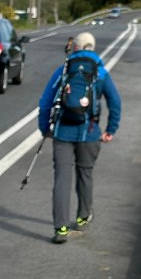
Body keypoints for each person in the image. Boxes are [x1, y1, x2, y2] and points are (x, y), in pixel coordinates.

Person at [38, 31, 122, 244]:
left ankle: (61, 228)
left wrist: (44, 128)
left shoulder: (63, 70)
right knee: (85, 174)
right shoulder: (100, 72)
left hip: (62, 133)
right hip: (90, 132)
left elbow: (45, 102)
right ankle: (83, 217)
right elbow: (115, 102)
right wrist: (110, 129)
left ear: (75, 47)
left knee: (62, 179)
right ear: (92, 47)